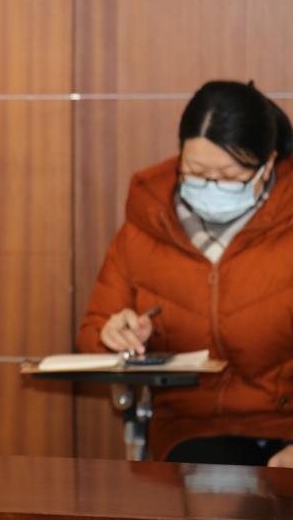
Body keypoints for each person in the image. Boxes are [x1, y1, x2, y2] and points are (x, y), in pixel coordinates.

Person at [77, 80, 293, 466]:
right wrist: (113, 336)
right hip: (192, 429)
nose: (211, 186)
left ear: (267, 165)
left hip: (284, 425)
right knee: (218, 487)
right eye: (195, 171)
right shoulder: (147, 223)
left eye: (229, 177)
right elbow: (92, 335)